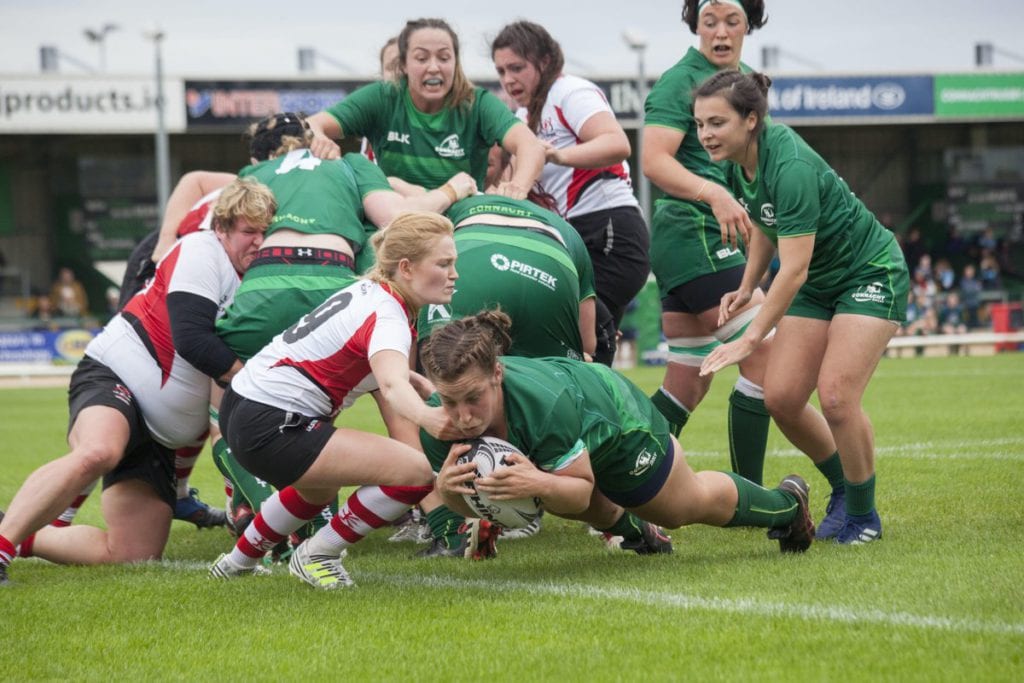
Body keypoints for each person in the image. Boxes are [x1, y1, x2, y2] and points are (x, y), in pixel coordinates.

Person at [208, 112, 476, 542]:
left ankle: (245, 499)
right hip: (335, 279)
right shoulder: (349, 163)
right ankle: (439, 519)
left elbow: (205, 201)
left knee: (225, 385)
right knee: (390, 396)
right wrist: (455, 188)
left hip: (261, 287)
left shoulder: (254, 171)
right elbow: (399, 216)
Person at [0, 178, 276, 585]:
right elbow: (192, 339)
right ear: (221, 229)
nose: (258, 241)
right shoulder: (201, 250)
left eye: (265, 232)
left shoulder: (256, 276)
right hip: (116, 377)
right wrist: (253, 381)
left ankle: (18, 534)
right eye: (249, 232)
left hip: (161, 436)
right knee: (98, 452)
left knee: (133, 553)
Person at [693, 70, 910, 544]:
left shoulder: (788, 163)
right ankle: (840, 490)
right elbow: (766, 227)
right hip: (819, 283)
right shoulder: (737, 163)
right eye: (699, 124)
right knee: (782, 398)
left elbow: (793, 272)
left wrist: (750, 338)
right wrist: (747, 286)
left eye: (716, 122)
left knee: (835, 396)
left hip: (868, 272)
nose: (705, 134)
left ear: (751, 119)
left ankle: (863, 515)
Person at [420, 311, 817, 561]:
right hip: (571, 429)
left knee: (681, 508)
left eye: (474, 398)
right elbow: (467, 505)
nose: (464, 416)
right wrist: (448, 489)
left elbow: (576, 488)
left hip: (615, 417)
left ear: (497, 374)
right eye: (451, 401)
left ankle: (788, 507)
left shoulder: (544, 406)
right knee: (576, 501)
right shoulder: (439, 423)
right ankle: (637, 536)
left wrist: (538, 481)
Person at [209, 212, 460, 590]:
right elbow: (390, 388)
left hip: (242, 404)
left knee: (317, 491)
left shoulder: (371, 291)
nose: (454, 274)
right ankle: (316, 555)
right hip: (271, 420)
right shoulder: (389, 313)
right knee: (416, 473)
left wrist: (417, 382)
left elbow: (358, 354)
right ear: (406, 268)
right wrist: (432, 419)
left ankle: (235, 563)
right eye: (443, 264)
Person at [641, 0, 787, 490]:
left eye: (732, 22)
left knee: (687, 379)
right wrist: (716, 193)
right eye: (710, 22)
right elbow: (654, 161)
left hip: (711, 238)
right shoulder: (678, 81)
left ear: (750, 25)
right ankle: (751, 498)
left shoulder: (745, 81)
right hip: (694, 232)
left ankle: (619, 497)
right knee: (765, 354)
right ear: (695, 26)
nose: (720, 33)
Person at [412, 191, 599, 556]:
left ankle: (448, 524)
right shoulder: (564, 227)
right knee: (568, 384)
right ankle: (606, 510)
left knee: (435, 394)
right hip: (549, 267)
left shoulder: (458, 203)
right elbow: (588, 344)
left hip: (468, 266)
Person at [491, 20, 649, 365]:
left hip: (610, 232)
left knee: (585, 340)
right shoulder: (522, 114)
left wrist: (559, 154)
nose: (508, 79)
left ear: (544, 62)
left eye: (517, 67)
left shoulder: (570, 91)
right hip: (575, 238)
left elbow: (617, 143)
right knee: (577, 345)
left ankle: (601, 415)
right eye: (501, 70)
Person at [305, 17, 545, 198]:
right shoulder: (382, 97)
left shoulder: (477, 103)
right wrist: (319, 138)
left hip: (460, 222)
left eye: (443, 57)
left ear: (455, 62)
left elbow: (530, 145)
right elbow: (312, 124)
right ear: (404, 64)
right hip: (397, 216)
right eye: (421, 58)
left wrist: (518, 187)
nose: (433, 67)